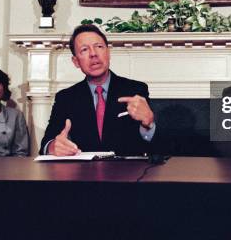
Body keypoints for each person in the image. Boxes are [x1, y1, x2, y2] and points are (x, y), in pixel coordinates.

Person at [39, 24, 157, 156]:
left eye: (99, 47)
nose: (93, 54)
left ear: (108, 52)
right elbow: (46, 144)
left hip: (127, 173)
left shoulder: (135, 90)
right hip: (82, 174)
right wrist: (53, 146)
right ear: (76, 62)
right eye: (84, 50)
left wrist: (149, 124)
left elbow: (154, 147)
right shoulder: (66, 98)